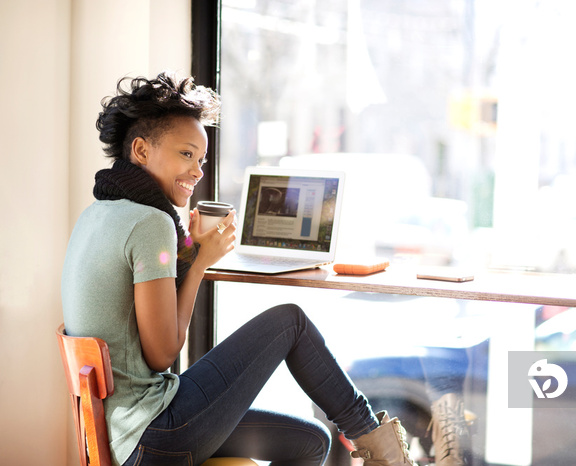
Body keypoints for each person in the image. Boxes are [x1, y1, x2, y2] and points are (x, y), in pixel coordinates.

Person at [61, 71, 417, 466]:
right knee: (290, 322)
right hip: (153, 434)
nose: (197, 171)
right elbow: (161, 354)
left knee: (312, 441)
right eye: (185, 154)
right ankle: (388, 454)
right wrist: (198, 264)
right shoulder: (151, 223)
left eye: (201, 159)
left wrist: (189, 251)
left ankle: (382, 451)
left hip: (122, 436)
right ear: (142, 151)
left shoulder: (97, 214)